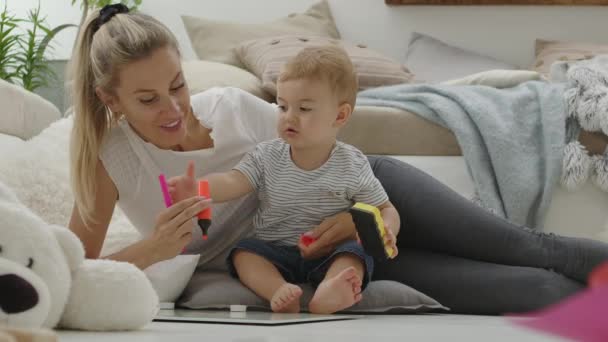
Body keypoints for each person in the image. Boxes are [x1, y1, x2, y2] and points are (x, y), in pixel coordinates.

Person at [68, 4, 608, 315]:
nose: (173, 109)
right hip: (335, 256)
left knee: (528, 247)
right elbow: (74, 272)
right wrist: (153, 249)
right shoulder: (111, 161)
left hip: (372, 194)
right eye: (147, 100)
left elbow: (334, 144)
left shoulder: (232, 109)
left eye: (178, 85)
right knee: (533, 291)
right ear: (110, 101)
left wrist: (359, 214)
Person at [166, 45, 400, 314]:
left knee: (355, 254)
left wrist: (387, 229)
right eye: (282, 106)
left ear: (340, 115)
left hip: (329, 253)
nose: (289, 117)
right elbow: (233, 181)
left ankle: (331, 290)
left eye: (304, 108)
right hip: (275, 253)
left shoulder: (352, 164)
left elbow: (385, 209)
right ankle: (278, 291)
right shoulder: (267, 155)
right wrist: (198, 188)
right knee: (244, 253)